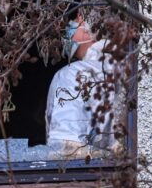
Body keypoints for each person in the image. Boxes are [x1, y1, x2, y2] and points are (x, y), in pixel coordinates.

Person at [45, 14, 121, 159]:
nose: (79, 18)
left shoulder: (74, 74)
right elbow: (66, 145)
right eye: (77, 18)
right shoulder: (74, 74)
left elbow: (64, 147)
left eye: (78, 19)